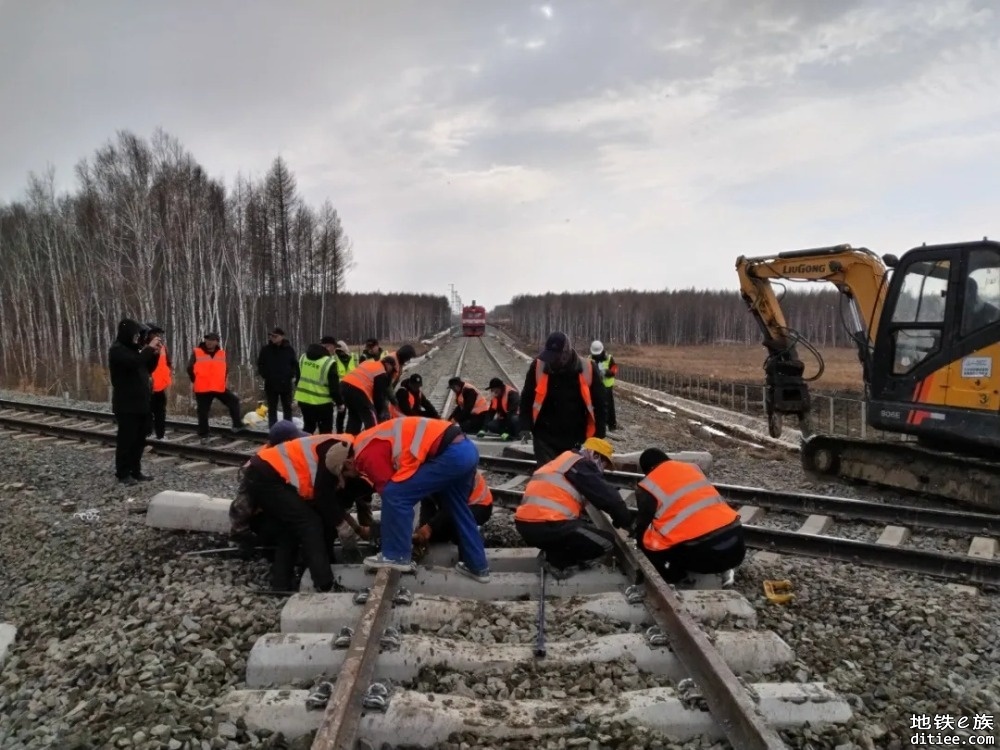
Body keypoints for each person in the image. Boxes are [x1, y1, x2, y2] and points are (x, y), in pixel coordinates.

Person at [336, 416, 490, 582]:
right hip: (466, 450)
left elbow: (389, 492)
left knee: (395, 494)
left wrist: (384, 536)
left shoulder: (364, 452)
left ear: (348, 463)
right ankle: (478, 567)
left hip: (450, 454)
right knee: (459, 509)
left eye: (345, 475)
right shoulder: (371, 439)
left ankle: (396, 555)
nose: (349, 479)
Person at [240, 428, 365, 592]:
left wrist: (346, 524)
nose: (344, 481)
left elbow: (328, 502)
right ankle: (324, 583)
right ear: (349, 462)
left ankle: (281, 584)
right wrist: (342, 525)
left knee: (291, 529)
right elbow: (323, 498)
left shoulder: (342, 446)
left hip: (266, 473)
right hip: (267, 476)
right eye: (346, 475)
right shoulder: (335, 453)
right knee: (309, 523)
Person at [514, 437, 633, 579]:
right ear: (595, 455)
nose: (602, 469)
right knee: (607, 542)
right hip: (549, 526)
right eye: (604, 464)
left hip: (525, 526)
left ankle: (552, 553)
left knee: (575, 530)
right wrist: (624, 520)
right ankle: (560, 563)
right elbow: (609, 498)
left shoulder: (562, 462)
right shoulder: (581, 464)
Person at [633, 448, 744, 587]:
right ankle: (725, 570)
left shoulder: (648, 484)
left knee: (647, 541)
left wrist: (637, 536)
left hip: (705, 556)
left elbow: (643, 525)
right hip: (737, 546)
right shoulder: (692, 469)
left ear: (648, 470)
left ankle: (676, 578)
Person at [519, 332, 607, 466]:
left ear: (565, 354)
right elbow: (526, 398)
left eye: (555, 357)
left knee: (571, 479)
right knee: (547, 479)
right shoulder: (538, 366)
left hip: (576, 438)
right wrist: (524, 426)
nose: (550, 361)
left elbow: (600, 405)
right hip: (544, 437)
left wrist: (599, 436)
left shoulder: (588, 369)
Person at [108, 319, 162, 484]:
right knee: (127, 439)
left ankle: (135, 470)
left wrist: (154, 356)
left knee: (140, 439)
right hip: (126, 404)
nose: (137, 337)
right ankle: (123, 473)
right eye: (135, 334)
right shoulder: (117, 350)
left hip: (142, 402)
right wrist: (148, 349)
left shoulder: (134, 350)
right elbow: (134, 362)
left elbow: (146, 368)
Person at [412, 469, 492, 555]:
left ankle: (475, 534)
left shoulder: (451, 472)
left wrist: (429, 527)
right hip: (457, 504)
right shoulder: (430, 472)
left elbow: (452, 508)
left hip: (480, 506)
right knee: (435, 536)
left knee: (456, 529)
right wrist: (424, 531)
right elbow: (428, 502)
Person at [186, 332, 242, 436]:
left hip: (218, 386)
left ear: (217, 342)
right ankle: (204, 433)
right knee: (203, 411)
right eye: (207, 339)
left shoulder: (222, 353)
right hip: (203, 387)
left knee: (234, 401)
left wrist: (223, 381)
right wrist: (195, 380)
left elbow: (226, 369)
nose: (209, 342)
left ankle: (237, 425)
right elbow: (189, 368)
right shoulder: (197, 352)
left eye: (212, 340)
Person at [339, 355, 399, 434]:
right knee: (371, 415)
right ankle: (373, 439)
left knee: (354, 417)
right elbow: (378, 396)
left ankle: (350, 440)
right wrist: (379, 412)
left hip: (344, 386)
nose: (390, 372)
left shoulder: (369, 363)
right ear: (388, 364)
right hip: (357, 389)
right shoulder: (381, 372)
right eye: (392, 369)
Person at [257, 327, 299, 428]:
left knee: (287, 407)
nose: (272, 338)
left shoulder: (289, 349)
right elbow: (260, 364)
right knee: (272, 407)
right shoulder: (266, 349)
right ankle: (273, 428)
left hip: (285, 383)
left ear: (282, 336)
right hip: (271, 383)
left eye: (275, 336)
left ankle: (288, 427)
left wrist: (291, 374)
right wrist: (265, 375)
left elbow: (294, 364)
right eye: (271, 336)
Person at [294, 341, 339, 434]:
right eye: (334, 348)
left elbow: (298, 379)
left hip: (304, 401)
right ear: (328, 347)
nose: (335, 351)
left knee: (308, 428)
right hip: (323, 404)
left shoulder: (303, 357)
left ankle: (304, 447)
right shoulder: (329, 362)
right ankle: (324, 448)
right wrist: (340, 403)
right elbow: (334, 388)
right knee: (325, 432)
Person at [145, 322, 172, 441]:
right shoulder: (142, 347)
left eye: (158, 334)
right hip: (145, 386)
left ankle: (160, 435)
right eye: (155, 333)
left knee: (160, 411)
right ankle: (147, 433)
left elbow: (168, 363)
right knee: (146, 411)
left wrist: (170, 374)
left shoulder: (162, 347)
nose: (158, 336)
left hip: (160, 386)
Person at [589, 340, 619, 431]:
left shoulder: (609, 358)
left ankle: (612, 425)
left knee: (609, 406)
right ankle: (597, 424)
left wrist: (607, 372)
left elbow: (614, 370)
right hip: (595, 387)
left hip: (607, 386)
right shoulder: (590, 358)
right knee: (596, 405)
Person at [330, 339, 358, 433]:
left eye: (340, 351)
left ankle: (351, 432)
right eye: (337, 351)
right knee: (341, 412)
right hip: (341, 390)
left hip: (353, 389)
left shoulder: (354, 357)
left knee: (353, 413)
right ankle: (340, 433)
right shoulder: (334, 359)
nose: (339, 353)